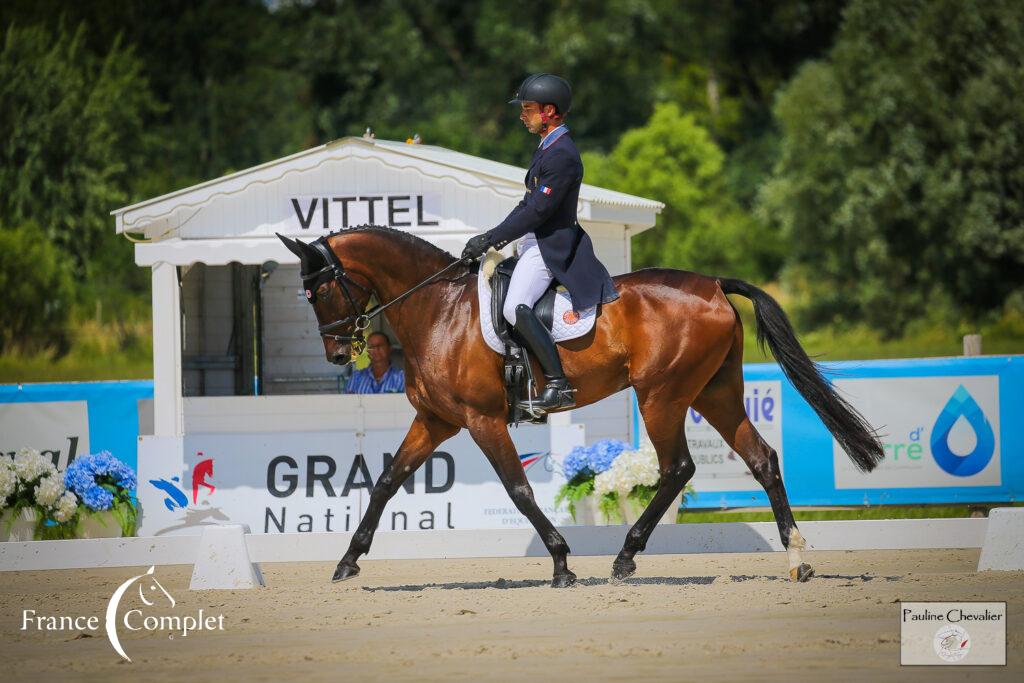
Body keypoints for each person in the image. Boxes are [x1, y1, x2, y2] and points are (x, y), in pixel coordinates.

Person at [461, 73, 618, 414]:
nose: (522, 115)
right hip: (534, 242)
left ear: (550, 111)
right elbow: (526, 205)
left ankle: (558, 384)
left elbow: (538, 211)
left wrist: (493, 238)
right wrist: (491, 238)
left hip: (551, 247)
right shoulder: (547, 149)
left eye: (528, 109)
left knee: (513, 305)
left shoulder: (562, 154)